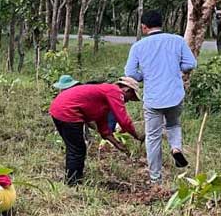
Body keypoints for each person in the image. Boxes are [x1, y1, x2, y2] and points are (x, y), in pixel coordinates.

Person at [125, 10, 198, 183]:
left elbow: (130, 72)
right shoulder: (177, 40)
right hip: (174, 95)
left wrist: (143, 76)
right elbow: (190, 64)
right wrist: (176, 69)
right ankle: (176, 147)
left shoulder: (138, 46)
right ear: (161, 23)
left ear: (144, 27)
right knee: (173, 124)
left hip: (153, 98)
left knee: (153, 137)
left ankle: (155, 178)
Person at [49, 77, 143, 185]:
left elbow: (102, 125)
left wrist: (117, 143)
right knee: (77, 150)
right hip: (68, 112)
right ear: (127, 90)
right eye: (130, 98)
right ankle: (73, 182)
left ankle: (73, 179)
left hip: (58, 110)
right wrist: (137, 136)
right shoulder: (115, 91)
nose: (127, 101)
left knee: (74, 148)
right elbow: (124, 121)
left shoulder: (103, 96)